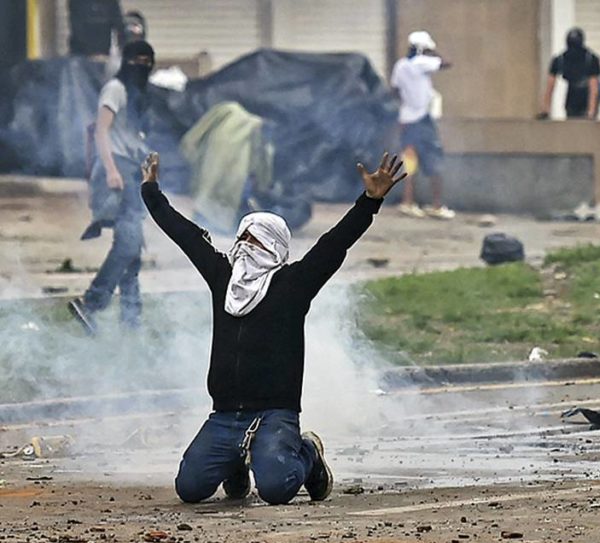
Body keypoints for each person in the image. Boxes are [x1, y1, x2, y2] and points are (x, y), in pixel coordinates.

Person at [137, 151, 406, 504]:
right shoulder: (223, 278)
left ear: (276, 248)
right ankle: (234, 463)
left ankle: (308, 453)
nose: (245, 248)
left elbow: (335, 243)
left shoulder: (293, 284)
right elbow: (184, 234)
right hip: (225, 414)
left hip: (274, 414)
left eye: (257, 241)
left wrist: (370, 201)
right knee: (189, 488)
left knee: (278, 489)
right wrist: (151, 191)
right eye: (242, 239)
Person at [68, 40, 155, 335]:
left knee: (132, 250)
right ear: (127, 62)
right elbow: (101, 130)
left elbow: (134, 137)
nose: (141, 66)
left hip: (131, 171)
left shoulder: (137, 94)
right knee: (129, 243)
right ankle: (91, 303)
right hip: (116, 170)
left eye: (147, 60)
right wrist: (111, 170)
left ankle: (131, 321)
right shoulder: (115, 89)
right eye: (137, 60)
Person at [391, 30, 454, 220]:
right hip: (422, 120)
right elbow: (447, 63)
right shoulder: (421, 63)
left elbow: (394, 89)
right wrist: (433, 53)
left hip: (406, 119)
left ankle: (407, 202)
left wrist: (407, 103)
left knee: (410, 161)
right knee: (434, 159)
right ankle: (437, 205)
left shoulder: (401, 66)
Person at [539, 27, 600, 120]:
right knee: (573, 119)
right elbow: (550, 86)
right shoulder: (561, 60)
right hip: (573, 96)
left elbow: (593, 87)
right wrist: (545, 110)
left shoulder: (590, 59)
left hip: (585, 94)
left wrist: (591, 111)